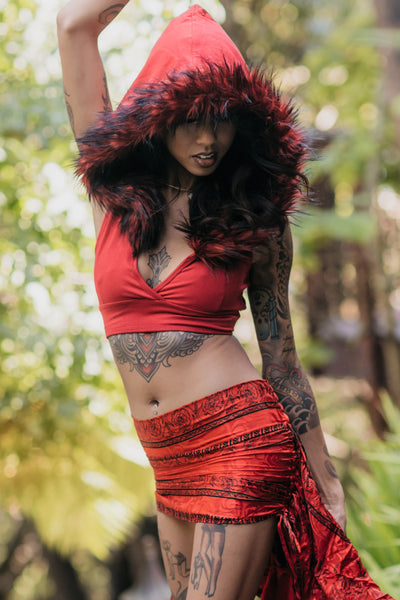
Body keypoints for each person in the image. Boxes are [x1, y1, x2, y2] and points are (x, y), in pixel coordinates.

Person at [57, 3, 393, 599]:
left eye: (224, 122)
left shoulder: (257, 224)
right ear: (160, 116)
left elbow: (283, 364)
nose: (209, 139)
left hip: (239, 442)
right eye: (192, 120)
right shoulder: (114, 194)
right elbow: (73, 24)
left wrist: (328, 482)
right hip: (167, 462)